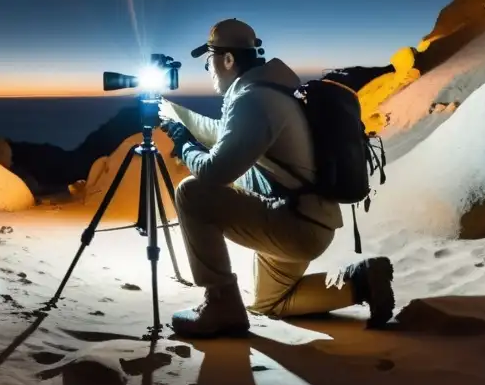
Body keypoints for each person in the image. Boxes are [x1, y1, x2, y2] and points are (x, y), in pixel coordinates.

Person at [159, 18, 394, 338]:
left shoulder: (254, 101)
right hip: (309, 220)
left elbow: (216, 172)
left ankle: (219, 305)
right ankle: (360, 283)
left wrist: (183, 143)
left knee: (193, 193)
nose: (209, 70)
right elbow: (222, 134)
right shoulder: (270, 91)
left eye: (209, 61)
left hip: (292, 224)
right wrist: (172, 113)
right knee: (268, 302)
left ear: (227, 60)